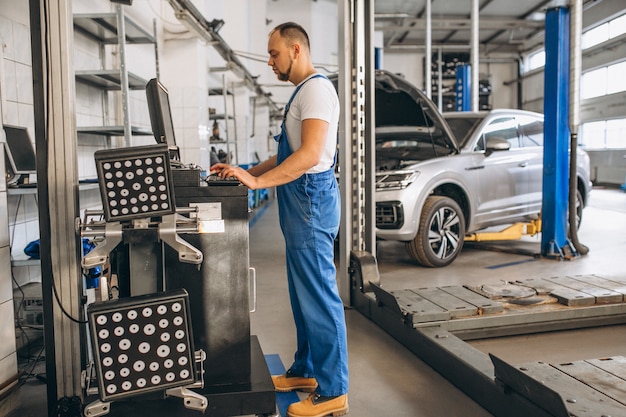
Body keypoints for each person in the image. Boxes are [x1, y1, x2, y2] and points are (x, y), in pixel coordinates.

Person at [211, 22, 348, 417]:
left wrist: (256, 181)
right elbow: (286, 155)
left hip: (310, 201)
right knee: (303, 294)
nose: (270, 62)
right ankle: (306, 371)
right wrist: (245, 170)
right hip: (301, 203)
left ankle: (335, 388)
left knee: (320, 296)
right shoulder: (303, 93)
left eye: (274, 54)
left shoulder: (318, 91)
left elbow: (307, 156)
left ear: (296, 50)